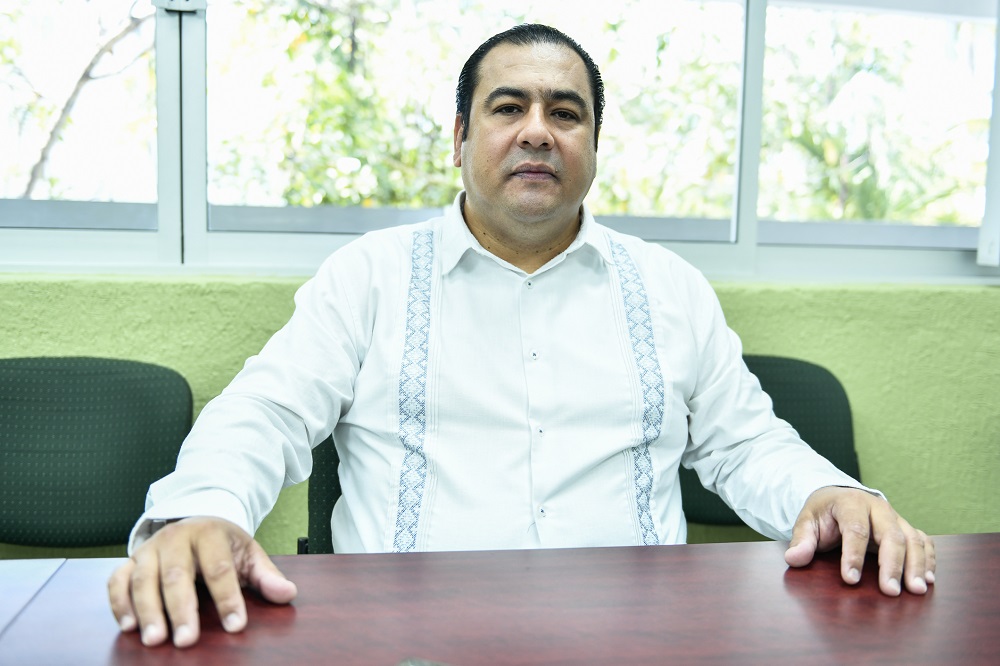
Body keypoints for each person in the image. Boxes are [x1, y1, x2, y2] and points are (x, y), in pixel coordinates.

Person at [108, 23, 935, 649]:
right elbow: (264, 413)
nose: (538, 130)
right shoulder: (370, 276)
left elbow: (747, 443)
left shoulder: (670, 287)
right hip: (408, 644)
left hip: (639, 644)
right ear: (460, 137)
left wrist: (832, 495)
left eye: (565, 113)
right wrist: (202, 513)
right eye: (509, 107)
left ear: (593, 146)